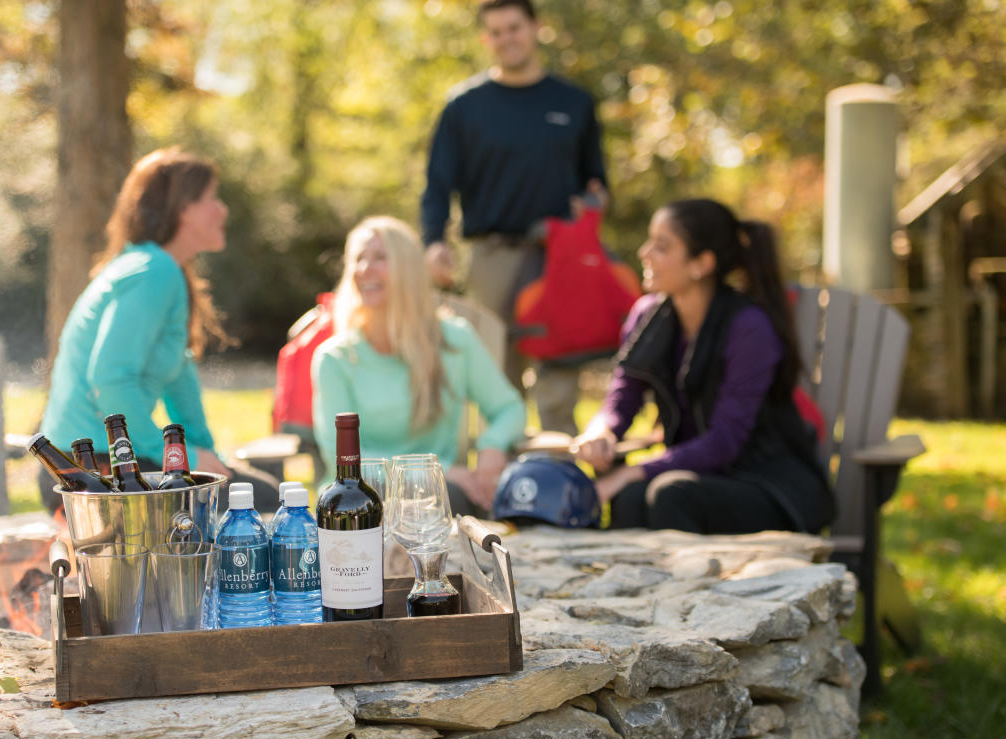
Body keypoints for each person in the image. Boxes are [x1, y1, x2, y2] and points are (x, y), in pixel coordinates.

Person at [571, 198, 835, 534]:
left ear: (701, 263)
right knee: (630, 498)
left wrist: (632, 471)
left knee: (670, 494)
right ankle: (635, 587)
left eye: (661, 247)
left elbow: (724, 441)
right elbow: (620, 401)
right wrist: (601, 432)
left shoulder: (747, 327)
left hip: (769, 485)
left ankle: (694, 587)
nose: (644, 253)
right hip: (698, 477)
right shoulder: (648, 317)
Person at [39, 147, 277, 512]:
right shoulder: (152, 272)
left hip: (112, 462)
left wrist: (203, 452)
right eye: (212, 198)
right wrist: (166, 451)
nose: (223, 209)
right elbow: (111, 379)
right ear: (183, 208)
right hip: (91, 472)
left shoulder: (161, 269)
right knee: (264, 502)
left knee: (256, 492)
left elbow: (178, 379)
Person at [420, 0, 608, 435]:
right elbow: (437, 185)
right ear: (486, 39)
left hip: (559, 256)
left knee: (558, 378)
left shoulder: (574, 102)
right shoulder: (464, 106)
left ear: (536, 28)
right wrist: (434, 241)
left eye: (514, 28)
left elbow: (596, 182)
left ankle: (561, 482)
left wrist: (595, 204)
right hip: (493, 255)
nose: (507, 38)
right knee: (494, 375)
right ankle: (500, 482)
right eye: (497, 31)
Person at [311, 216, 526, 515]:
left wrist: (493, 445)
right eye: (358, 259)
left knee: (452, 499)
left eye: (380, 258)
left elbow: (510, 408)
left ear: (409, 271)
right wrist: (436, 472)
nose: (364, 269)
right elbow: (341, 455)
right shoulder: (335, 358)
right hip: (356, 504)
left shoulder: (454, 342)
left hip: (439, 498)